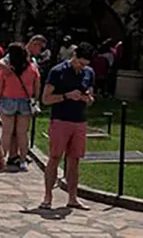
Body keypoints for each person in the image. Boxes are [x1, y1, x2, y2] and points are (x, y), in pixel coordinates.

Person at [39, 42, 95, 211]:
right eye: (80, 63)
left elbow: (91, 95)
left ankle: (72, 197)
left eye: (85, 65)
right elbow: (46, 99)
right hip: (60, 119)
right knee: (55, 157)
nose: (82, 67)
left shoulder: (88, 73)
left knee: (74, 160)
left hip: (79, 120)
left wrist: (88, 99)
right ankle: (48, 196)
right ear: (74, 55)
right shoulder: (58, 71)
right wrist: (66, 96)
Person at [0, 42, 40, 171]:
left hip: (8, 100)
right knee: (22, 133)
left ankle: (2, 159)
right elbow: (37, 85)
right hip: (25, 101)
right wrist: (35, 100)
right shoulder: (31, 68)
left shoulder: (6, 70)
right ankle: (23, 160)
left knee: (6, 133)